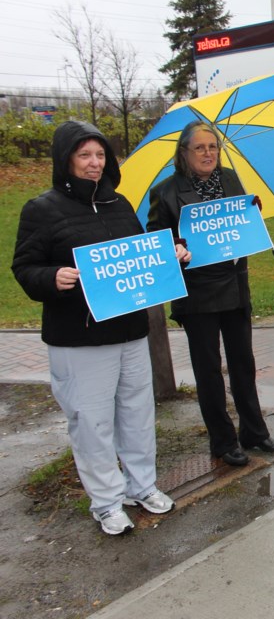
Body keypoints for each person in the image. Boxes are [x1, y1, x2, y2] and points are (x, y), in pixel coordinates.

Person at [12, 121, 187, 535]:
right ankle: (106, 502)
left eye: (100, 155)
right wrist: (50, 277)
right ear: (66, 160)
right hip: (80, 338)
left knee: (137, 415)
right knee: (91, 422)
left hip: (129, 332)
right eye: (84, 155)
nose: (94, 164)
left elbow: (140, 254)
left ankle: (141, 486)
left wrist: (170, 254)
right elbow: (24, 267)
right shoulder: (42, 209)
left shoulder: (120, 204)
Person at [147, 120, 274, 467]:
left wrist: (251, 213)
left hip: (235, 286)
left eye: (213, 147)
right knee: (209, 370)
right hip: (198, 294)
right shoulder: (165, 192)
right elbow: (157, 241)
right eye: (200, 147)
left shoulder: (230, 179)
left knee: (243, 363)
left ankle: (253, 431)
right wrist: (175, 247)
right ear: (184, 153)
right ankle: (222, 441)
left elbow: (239, 225)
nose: (208, 153)